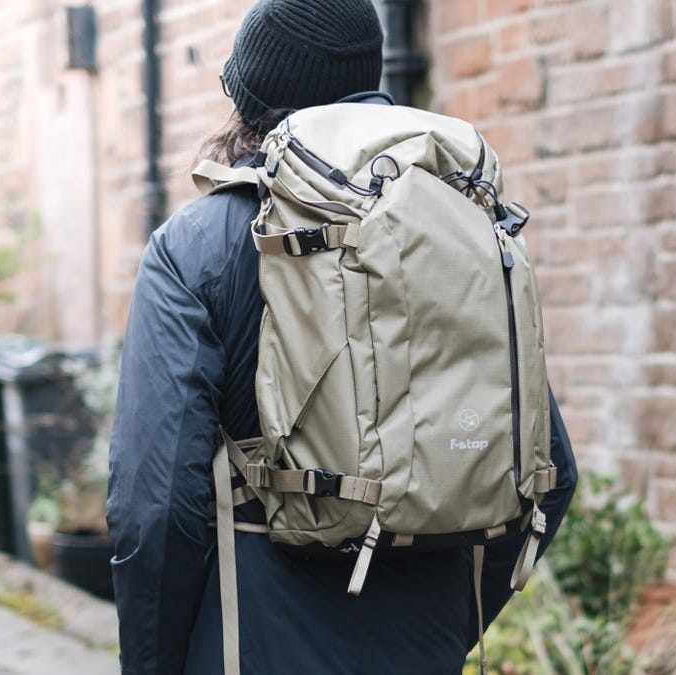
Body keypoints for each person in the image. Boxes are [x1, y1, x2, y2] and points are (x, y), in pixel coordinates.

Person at [106, 0, 577, 672]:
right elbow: (549, 473)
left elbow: (154, 511)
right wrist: (444, 627)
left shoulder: (198, 246)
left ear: (252, 96)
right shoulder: (461, 224)